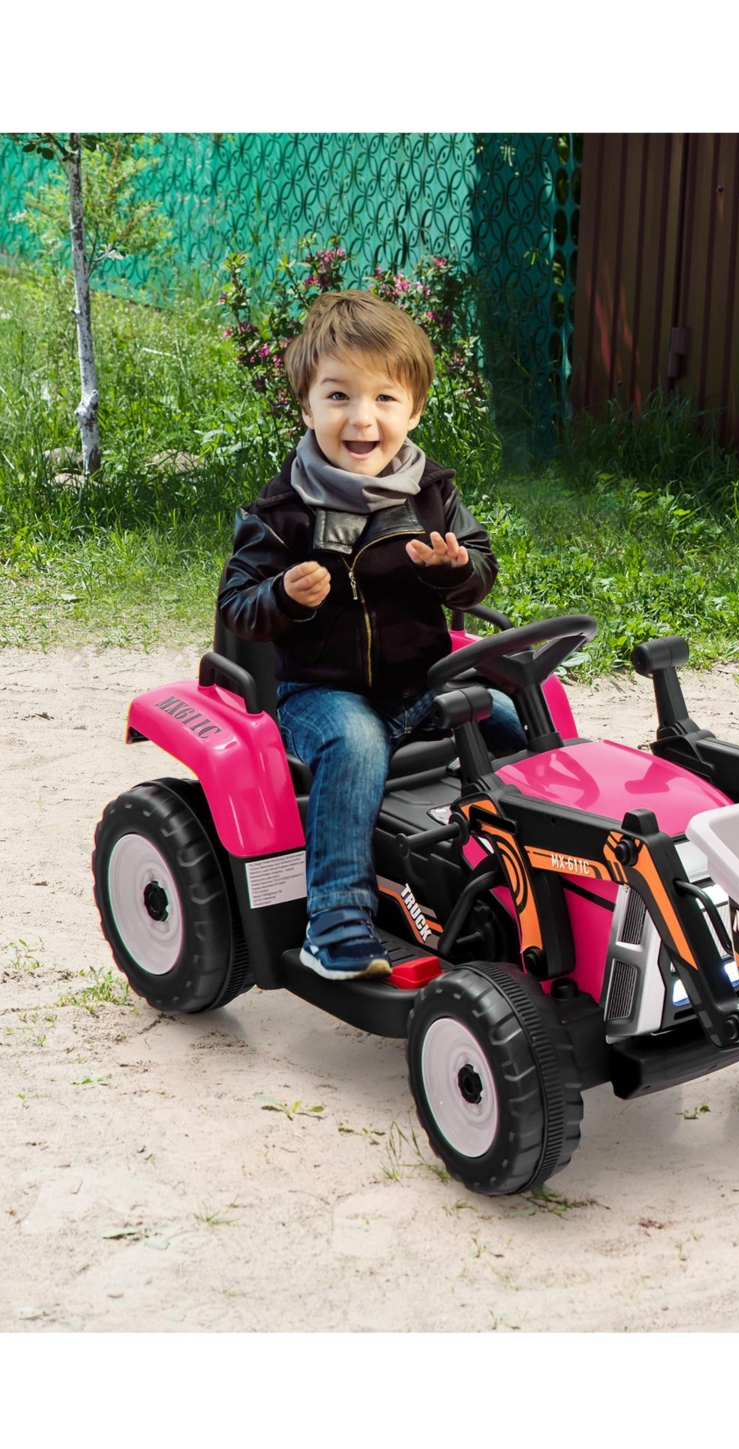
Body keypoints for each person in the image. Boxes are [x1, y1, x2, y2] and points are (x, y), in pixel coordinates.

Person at [218, 289, 525, 980]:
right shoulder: (280, 512)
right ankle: (337, 923)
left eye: (385, 399)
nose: (362, 418)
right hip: (319, 693)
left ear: (413, 411)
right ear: (307, 406)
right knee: (354, 745)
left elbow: (481, 573)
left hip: (418, 685)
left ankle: (524, 875)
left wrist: (456, 571)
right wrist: (284, 597)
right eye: (339, 397)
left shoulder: (433, 494)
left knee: (513, 716)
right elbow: (239, 606)